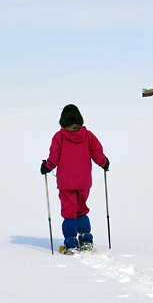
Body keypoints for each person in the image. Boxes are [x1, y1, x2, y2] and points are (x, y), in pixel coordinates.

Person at [41, 104, 109, 255]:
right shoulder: (88, 135)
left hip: (66, 182)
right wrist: (104, 163)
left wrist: (46, 166)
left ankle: (71, 243)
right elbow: (97, 153)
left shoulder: (59, 137)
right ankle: (86, 240)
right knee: (81, 209)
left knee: (69, 212)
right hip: (84, 181)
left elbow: (54, 157)